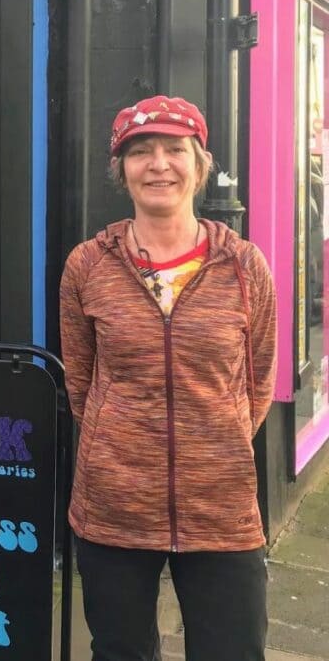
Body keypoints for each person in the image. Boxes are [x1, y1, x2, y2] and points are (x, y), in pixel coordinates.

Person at [59, 95, 277, 661]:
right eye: (140, 152)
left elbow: (257, 384)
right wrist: (121, 442)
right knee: (121, 651)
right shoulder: (88, 265)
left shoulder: (244, 266)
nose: (159, 164)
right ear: (121, 169)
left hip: (221, 504)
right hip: (114, 505)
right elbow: (81, 384)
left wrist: (214, 439)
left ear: (199, 165)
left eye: (174, 150)